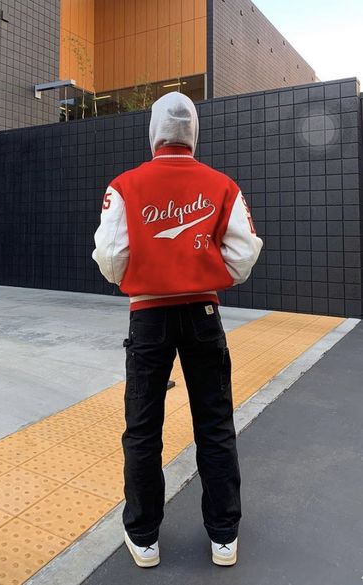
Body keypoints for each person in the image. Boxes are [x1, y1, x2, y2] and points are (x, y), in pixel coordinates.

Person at [92, 91, 263, 569]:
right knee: (214, 421)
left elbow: (110, 257)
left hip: (148, 316)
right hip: (203, 315)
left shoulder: (125, 186)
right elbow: (243, 254)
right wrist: (207, 274)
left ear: (153, 131)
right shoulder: (221, 185)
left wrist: (137, 278)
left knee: (143, 426)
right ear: (194, 131)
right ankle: (224, 535)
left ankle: (144, 537)